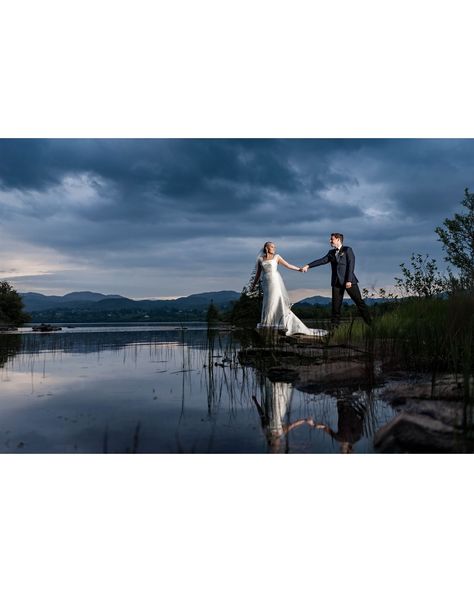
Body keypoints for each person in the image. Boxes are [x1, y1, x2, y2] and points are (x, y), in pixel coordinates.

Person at [250, 241, 327, 337]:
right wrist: (252, 286)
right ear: (267, 248)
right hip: (266, 283)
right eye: (272, 247)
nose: (274, 248)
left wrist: (299, 269)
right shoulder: (261, 259)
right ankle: (268, 323)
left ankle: (281, 323)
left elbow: (288, 265)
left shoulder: (277, 257)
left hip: (275, 282)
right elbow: (258, 274)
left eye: (275, 247)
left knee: (275, 300)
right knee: (267, 302)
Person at [302, 233, 371, 327]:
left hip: (349, 281)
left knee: (360, 303)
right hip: (336, 283)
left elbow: (351, 265)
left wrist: (349, 280)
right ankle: (334, 329)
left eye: (332, 239)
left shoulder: (347, 250)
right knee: (335, 307)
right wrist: (308, 266)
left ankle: (371, 325)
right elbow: (322, 260)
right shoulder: (331, 253)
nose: (330, 241)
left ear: (338, 239)